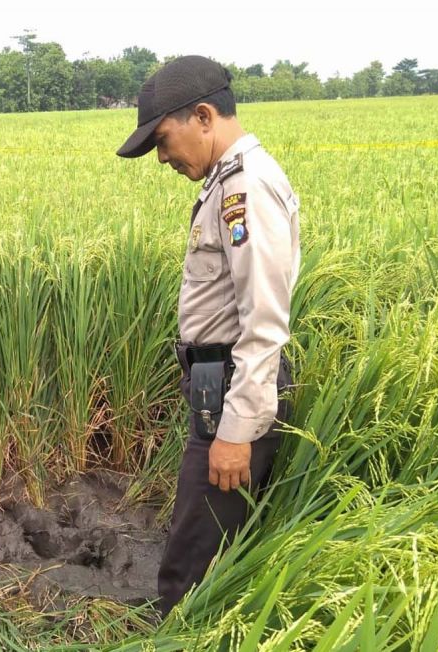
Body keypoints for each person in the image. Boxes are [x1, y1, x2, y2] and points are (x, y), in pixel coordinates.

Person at [116, 55, 300, 616]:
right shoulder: (225, 185)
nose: (163, 157)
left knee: (191, 560)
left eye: (164, 141)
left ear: (202, 116)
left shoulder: (246, 189)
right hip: (215, 383)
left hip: (234, 389)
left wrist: (236, 430)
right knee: (208, 538)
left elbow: (265, 321)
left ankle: (180, 633)